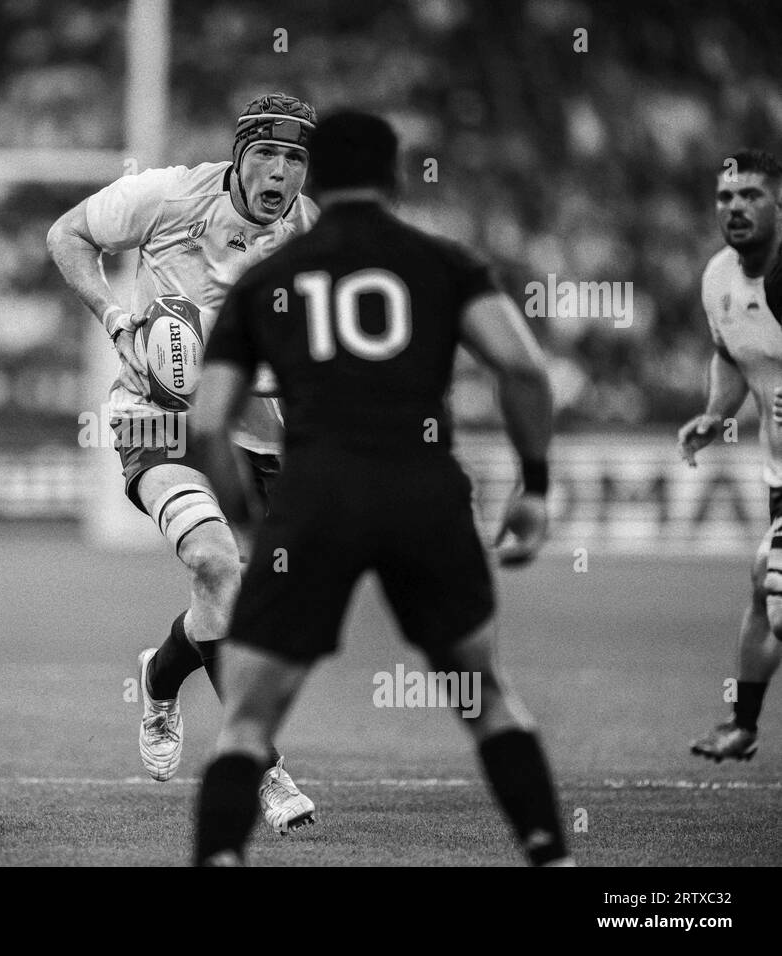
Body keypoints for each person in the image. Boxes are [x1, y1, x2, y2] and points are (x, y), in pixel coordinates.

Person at [190, 110, 572, 866]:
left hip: (315, 499)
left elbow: (207, 425)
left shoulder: (264, 280)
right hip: (424, 494)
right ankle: (551, 855)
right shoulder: (443, 261)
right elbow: (524, 369)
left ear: (315, 180)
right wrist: (533, 486)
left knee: (247, 720)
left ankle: (221, 857)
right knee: (487, 698)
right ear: (396, 177)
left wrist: (246, 527)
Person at [48, 92, 319, 832]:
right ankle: (264, 767)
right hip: (158, 419)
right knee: (213, 560)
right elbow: (67, 234)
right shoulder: (168, 195)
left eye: (296, 159)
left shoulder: (313, 234)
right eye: (267, 153)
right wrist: (113, 314)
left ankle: (160, 676)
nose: (280, 172)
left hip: (260, 434)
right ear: (240, 155)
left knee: (238, 601)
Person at [682, 149, 782, 762]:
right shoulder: (718, 277)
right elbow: (732, 354)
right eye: (726, 197)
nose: (736, 207)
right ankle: (743, 726)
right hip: (779, 475)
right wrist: (716, 414)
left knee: (777, 591)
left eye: (752, 195)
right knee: (762, 587)